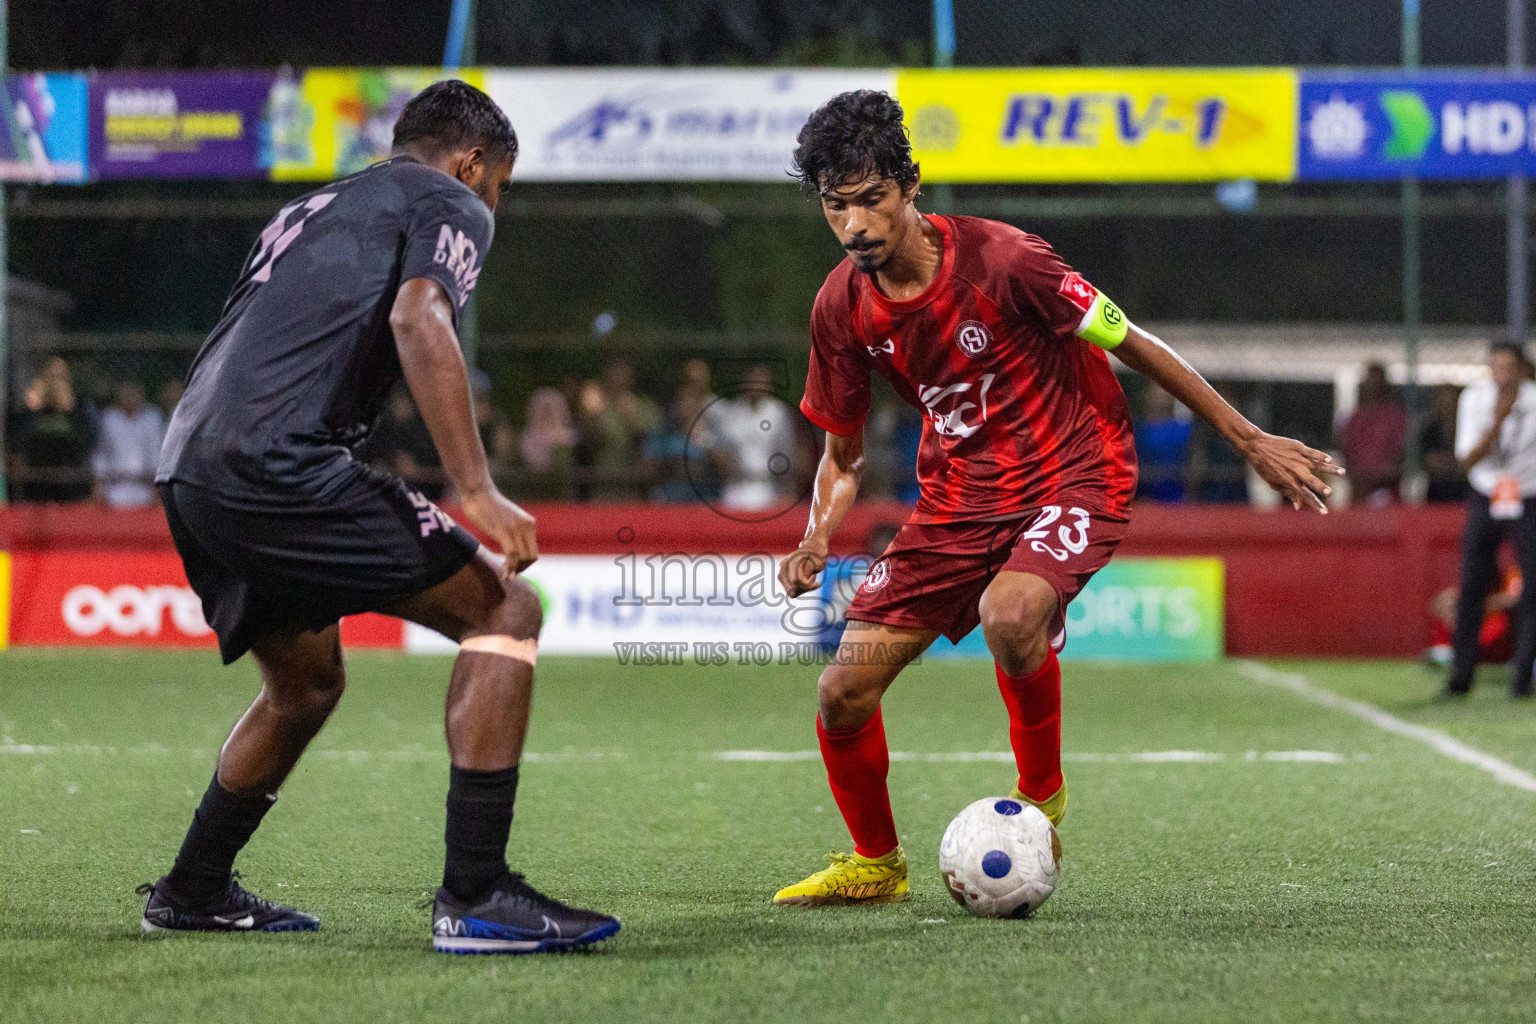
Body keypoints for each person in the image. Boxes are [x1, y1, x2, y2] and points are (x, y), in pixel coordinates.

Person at [771, 90, 1341, 906]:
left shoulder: (1006, 261)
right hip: (960, 499)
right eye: (837, 206)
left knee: (1010, 614)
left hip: (1076, 468)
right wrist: (817, 533)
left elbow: (1130, 341)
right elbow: (842, 453)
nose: (856, 224)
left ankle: (1041, 798)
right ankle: (876, 864)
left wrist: (1247, 438)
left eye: (871, 200)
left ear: (910, 187)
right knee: (842, 689)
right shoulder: (841, 307)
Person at [143, 81, 618, 952]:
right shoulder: (449, 198)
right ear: (473, 163)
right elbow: (418, 315)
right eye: (501, 187)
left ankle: (193, 888)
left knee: (306, 686)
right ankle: (477, 894)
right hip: (280, 464)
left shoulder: (316, 204)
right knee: (505, 610)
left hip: (189, 468)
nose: (494, 207)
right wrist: (474, 488)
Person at [1443, 342, 1536, 699]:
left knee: (1533, 587)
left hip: (1528, 496)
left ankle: (1523, 679)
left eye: (1508, 366)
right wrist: (1497, 421)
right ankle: (1460, 678)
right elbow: (1467, 459)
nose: (1502, 374)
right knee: (1473, 585)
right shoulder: (1475, 399)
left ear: (1521, 368)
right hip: (1487, 491)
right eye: (1495, 366)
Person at [8, 356, 96, 503]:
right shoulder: (31, 411)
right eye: (51, 377)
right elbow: (15, 443)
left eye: (60, 378)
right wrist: (31, 409)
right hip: (36, 481)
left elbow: (89, 443)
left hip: (70, 482)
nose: (55, 383)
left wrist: (69, 410)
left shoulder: (80, 407)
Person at [715, 363, 798, 510]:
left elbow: (787, 452)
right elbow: (721, 450)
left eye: (761, 381)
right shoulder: (731, 412)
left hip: (767, 488)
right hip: (735, 488)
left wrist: (787, 489)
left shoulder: (777, 413)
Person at [1339, 362, 1407, 505]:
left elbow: (1400, 454)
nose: (1374, 385)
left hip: (1387, 493)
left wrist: (1379, 477)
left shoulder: (1394, 417)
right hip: (1359, 493)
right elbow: (1346, 453)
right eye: (1370, 380)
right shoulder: (1355, 418)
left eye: (1377, 381)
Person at [92, 380, 166, 508]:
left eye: (134, 392)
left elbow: (158, 454)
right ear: (119, 394)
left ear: (141, 394)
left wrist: (158, 489)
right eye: (126, 391)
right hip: (115, 488)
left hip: (145, 487)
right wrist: (98, 486)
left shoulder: (152, 417)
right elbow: (101, 454)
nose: (130, 396)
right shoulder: (110, 418)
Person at [1133, 383, 1192, 502]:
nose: (1160, 397)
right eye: (1155, 393)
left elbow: (1192, 464)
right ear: (1147, 396)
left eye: (1163, 392)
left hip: (1176, 501)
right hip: (1142, 500)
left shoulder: (1183, 429)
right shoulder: (1137, 430)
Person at [1420, 383, 1465, 503]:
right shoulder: (1430, 430)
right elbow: (1430, 461)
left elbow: (1468, 463)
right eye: (1443, 399)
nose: (1447, 404)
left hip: (1463, 491)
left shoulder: (1467, 428)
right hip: (1437, 491)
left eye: (1451, 399)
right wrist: (1455, 464)